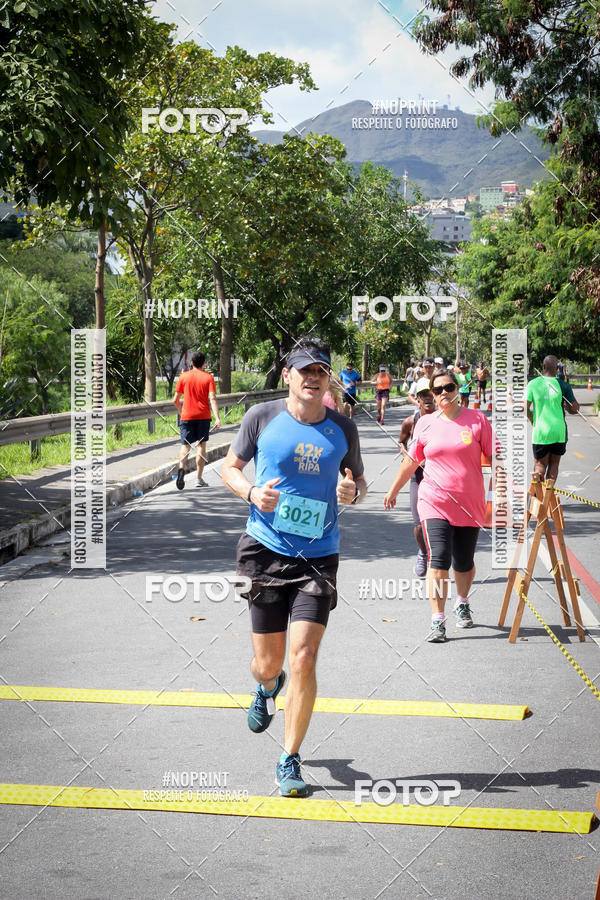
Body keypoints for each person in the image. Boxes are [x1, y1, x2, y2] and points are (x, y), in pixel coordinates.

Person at [221, 339, 367, 797]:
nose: (313, 377)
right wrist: (250, 492)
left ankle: (289, 758)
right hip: (264, 550)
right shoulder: (261, 417)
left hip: (318, 556)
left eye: (321, 370)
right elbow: (229, 468)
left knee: (303, 656)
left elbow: (358, 481)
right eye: (305, 370)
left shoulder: (343, 428)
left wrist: (353, 493)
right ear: (288, 375)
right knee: (268, 663)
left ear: (328, 378)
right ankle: (268, 687)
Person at [383, 369, 494, 643]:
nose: (443, 393)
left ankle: (462, 600)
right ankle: (437, 620)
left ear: (458, 389)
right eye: (438, 389)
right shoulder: (425, 423)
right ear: (432, 394)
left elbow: (495, 457)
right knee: (439, 557)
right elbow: (411, 460)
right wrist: (394, 489)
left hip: (469, 503)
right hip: (434, 501)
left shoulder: (477, 420)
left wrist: (505, 492)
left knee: (464, 562)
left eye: (449, 387)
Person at [397, 377, 435, 576]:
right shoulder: (411, 422)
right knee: (419, 524)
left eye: (431, 394)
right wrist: (407, 455)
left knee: (443, 523)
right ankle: (423, 552)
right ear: (417, 399)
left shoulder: (445, 419)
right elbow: (401, 442)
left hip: (440, 477)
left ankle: (440, 556)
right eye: (423, 395)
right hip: (418, 476)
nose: (428, 398)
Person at [526, 355, 579, 486]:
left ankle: (538, 496)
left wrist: (532, 418)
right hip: (559, 431)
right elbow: (574, 409)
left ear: (543, 367)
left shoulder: (533, 384)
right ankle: (548, 495)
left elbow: (524, 407)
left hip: (541, 432)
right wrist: (571, 407)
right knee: (554, 464)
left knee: (540, 465)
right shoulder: (563, 385)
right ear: (557, 369)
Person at [173, 351, 221, 489]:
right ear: (204, 363)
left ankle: (181, 469)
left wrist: (182, 412)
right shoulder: (208, 378)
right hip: (203, 416)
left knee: (185, 446)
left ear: (192, 363)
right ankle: (198, 479)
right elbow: (212, 398)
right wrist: (217, 418)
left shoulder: (183, 377)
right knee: (201, 446)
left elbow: (175, 400)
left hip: (187, 416)